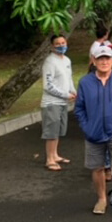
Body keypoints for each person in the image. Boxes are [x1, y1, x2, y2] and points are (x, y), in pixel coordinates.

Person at [75, 46, 112, 214]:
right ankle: (101, 199)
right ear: (94, 60)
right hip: (94, 134)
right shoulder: (85, 82)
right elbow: (79, 109)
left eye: (107, 58)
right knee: (97, 168)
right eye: (100, 59)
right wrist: (87, 127)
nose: (104, 62)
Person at [41, 35, 76, 171]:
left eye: (63, 42)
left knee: (59, 129)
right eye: (57, 44)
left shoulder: (66, 60)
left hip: (63, 102)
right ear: (52, 46)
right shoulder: (50, 62)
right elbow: (47, 85)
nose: (61, 45)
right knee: (52, 131)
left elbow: (69, 78)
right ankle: (49, 159)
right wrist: (65, 95)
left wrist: (73, 91)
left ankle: (55, 155)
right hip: (52, 103)